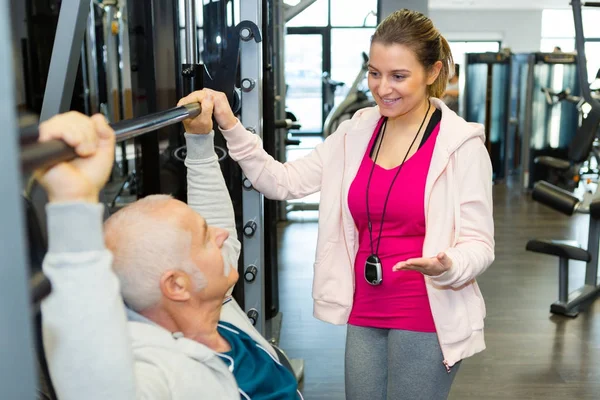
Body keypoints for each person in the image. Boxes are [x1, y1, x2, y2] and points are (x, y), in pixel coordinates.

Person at [178, 8, 494, 400]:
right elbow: (282, 181)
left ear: (431, 73)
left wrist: (449, 265)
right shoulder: (357, 130)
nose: (383, 88)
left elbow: (480, 244)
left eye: (399, 76)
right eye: (375, 73)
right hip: (366, 306)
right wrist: (229, 123)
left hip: (427, 308)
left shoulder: (461, 146)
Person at [38, 108, 301, 400]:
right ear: (177, 285)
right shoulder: (160, 371)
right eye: (205, 238)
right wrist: (74, 202)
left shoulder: (217, 313)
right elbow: (99, 387)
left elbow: (215, 222)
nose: (222, 235)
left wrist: (200, 139)